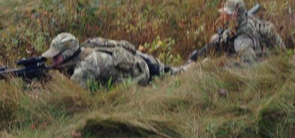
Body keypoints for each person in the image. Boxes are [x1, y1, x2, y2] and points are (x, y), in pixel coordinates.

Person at [42, 33, 189, 89]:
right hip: (140, 59)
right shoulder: (87, 47)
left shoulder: (85, 68)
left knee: (174, 75)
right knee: (174, 71)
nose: (53, 61)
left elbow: (72, 95)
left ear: (68, 53)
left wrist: (47, 80)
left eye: (56, 57)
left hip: (141, 74)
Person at [189, 0, 286, 64]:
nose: (223, 16)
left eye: (227, 14)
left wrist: (226, 65)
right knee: (215, 39)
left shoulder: (242, 40)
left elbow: (251, 66)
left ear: (234, 15)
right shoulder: (244, 21)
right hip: (249, 55)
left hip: (257, 63)